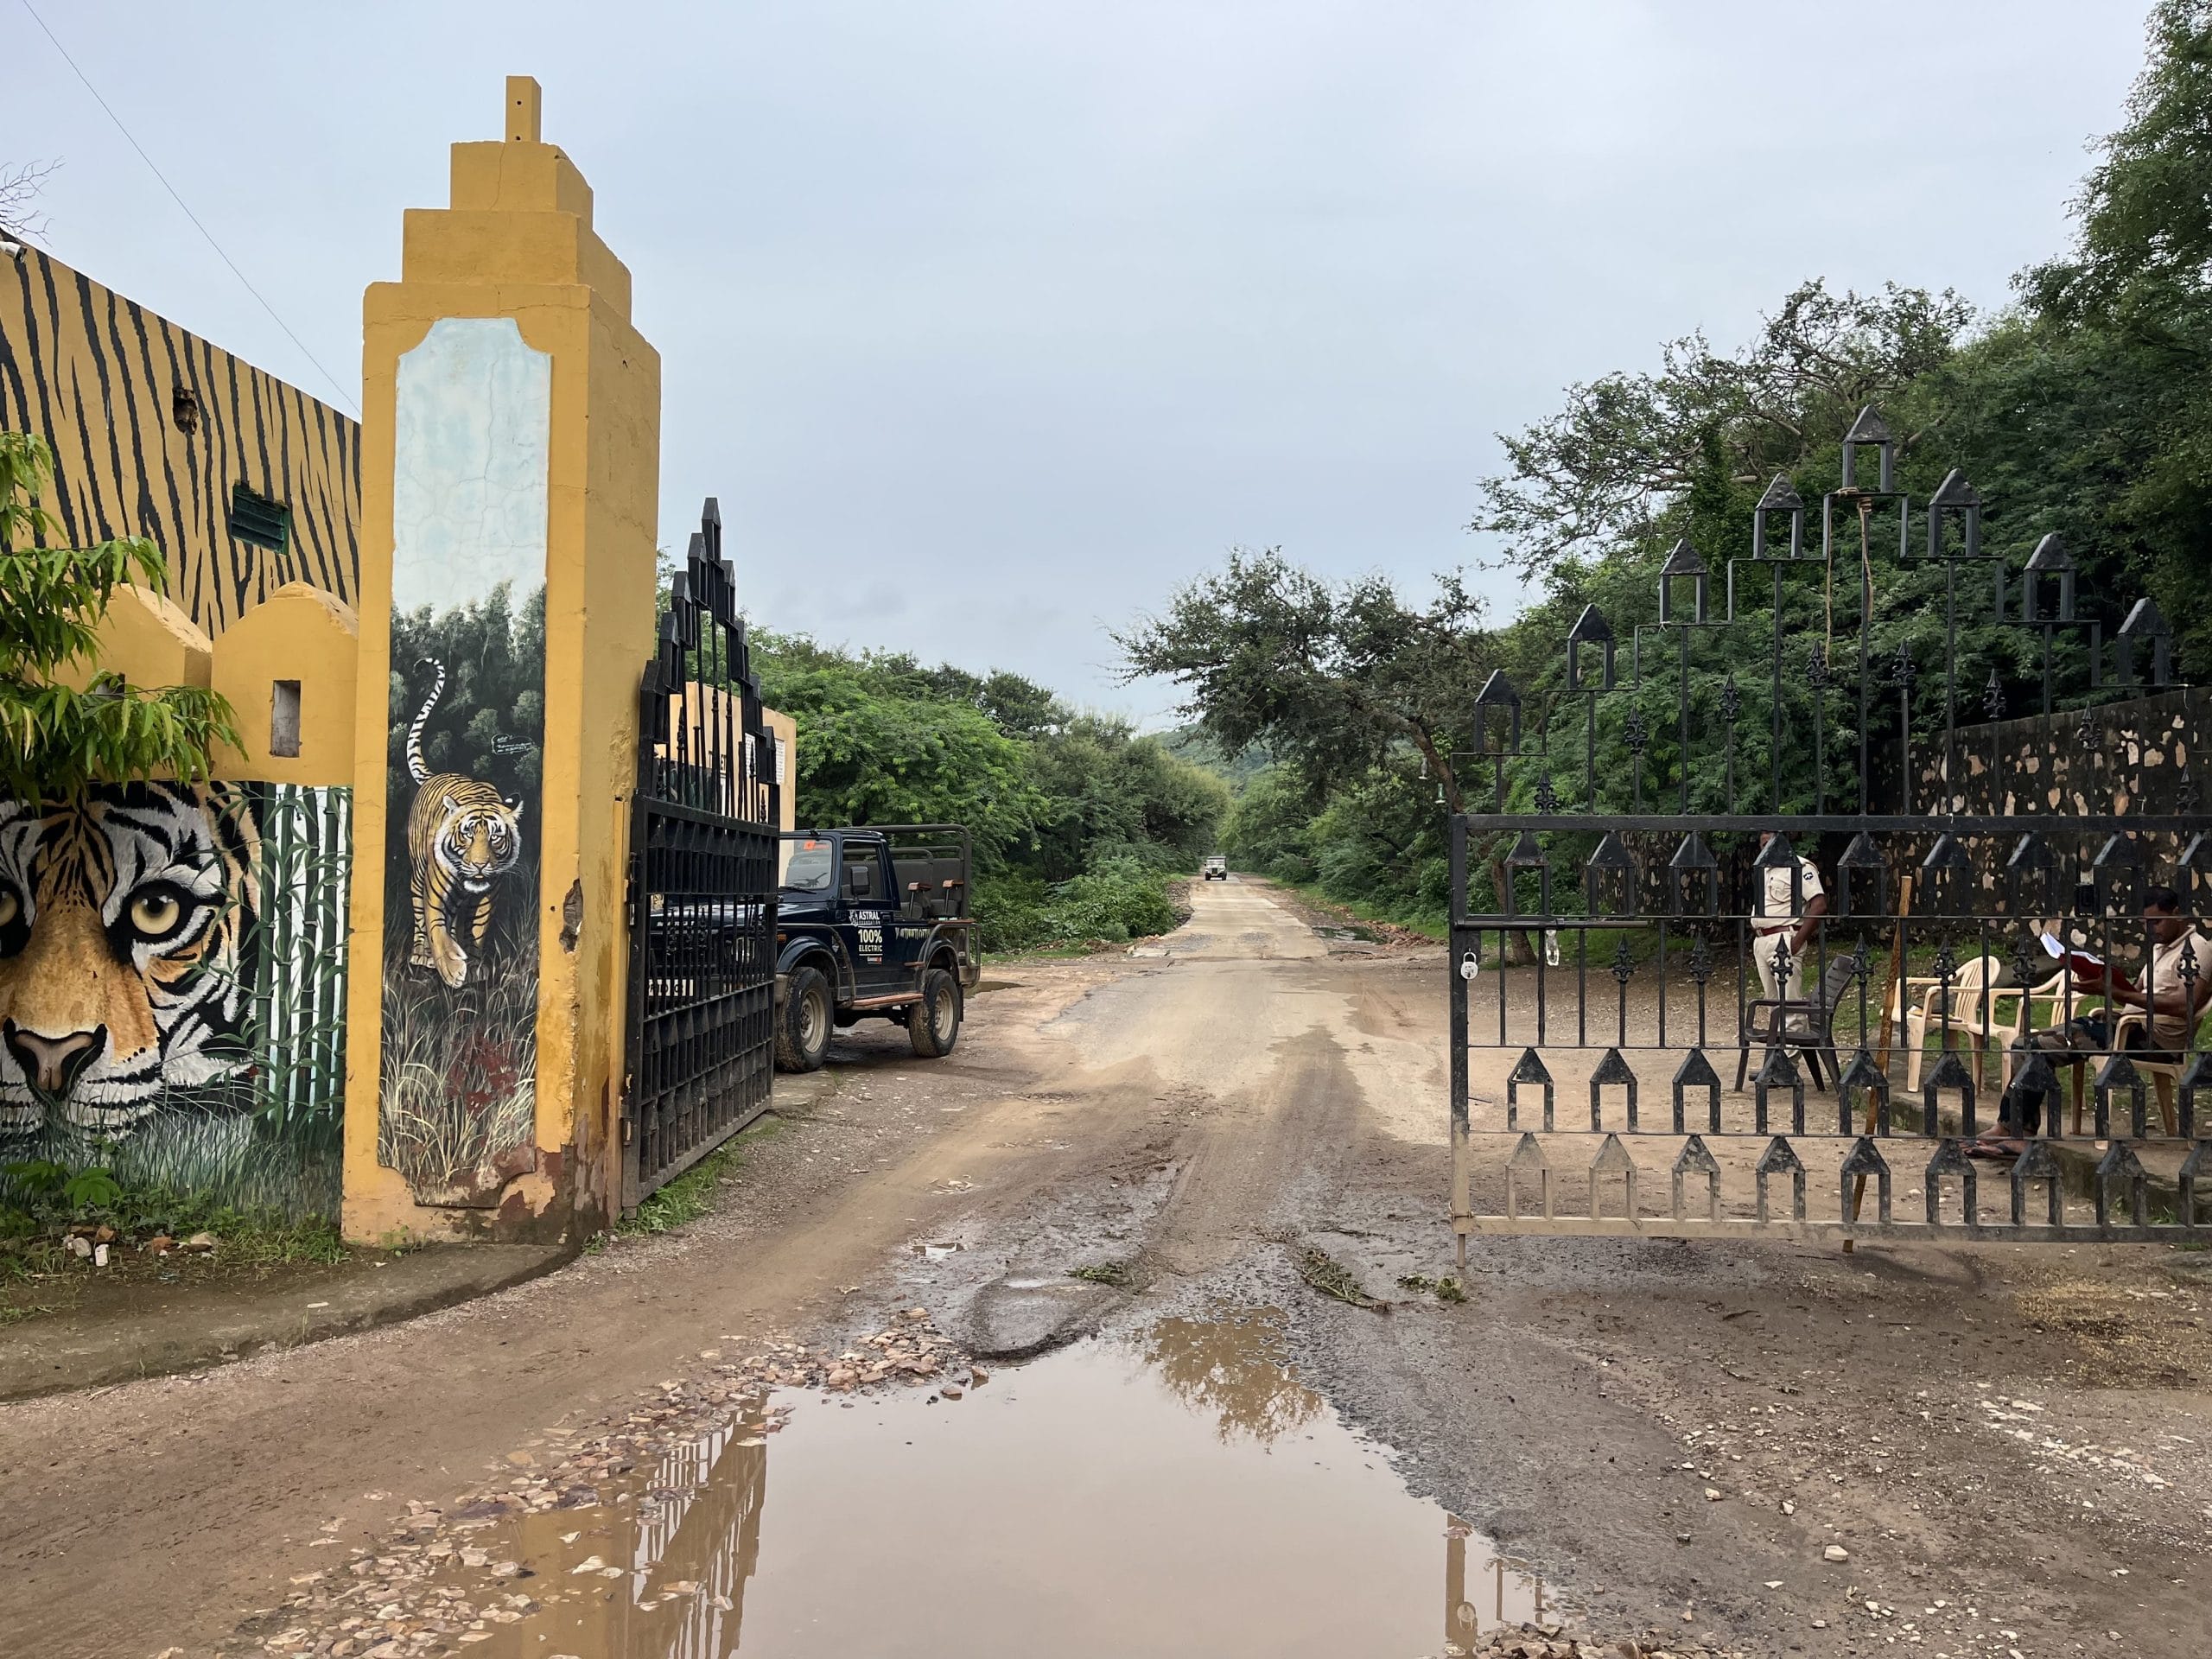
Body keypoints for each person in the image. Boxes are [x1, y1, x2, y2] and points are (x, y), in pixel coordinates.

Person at [1978, 886, 2211, 1155]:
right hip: (2129, 1027)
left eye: (2156, 922)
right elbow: (2134, 995)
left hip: (2152, 1039)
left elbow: (2185, 1005)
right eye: (2146, 923)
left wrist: (2114, 991)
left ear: (2177, 914)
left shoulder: (2197, 950)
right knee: (2025, 1045)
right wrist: (2105, 982)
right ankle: (2009, 1126)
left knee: (2035, 1047)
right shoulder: (2160, 949)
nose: (2151, 930)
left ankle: (2020, 1132)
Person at [1751, 832, 1828, 1031]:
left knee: (1790, 1006)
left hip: (1784, 938)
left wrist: (1797, 941)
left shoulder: (1799, 867)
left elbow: (1818, 905)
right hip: (1762, 940)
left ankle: (1790, 1059)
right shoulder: (1764, 869)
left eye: (1770, 843)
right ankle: (1779, 1055)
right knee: (1774, 1004)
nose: (1766, 849)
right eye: (1763, 844)